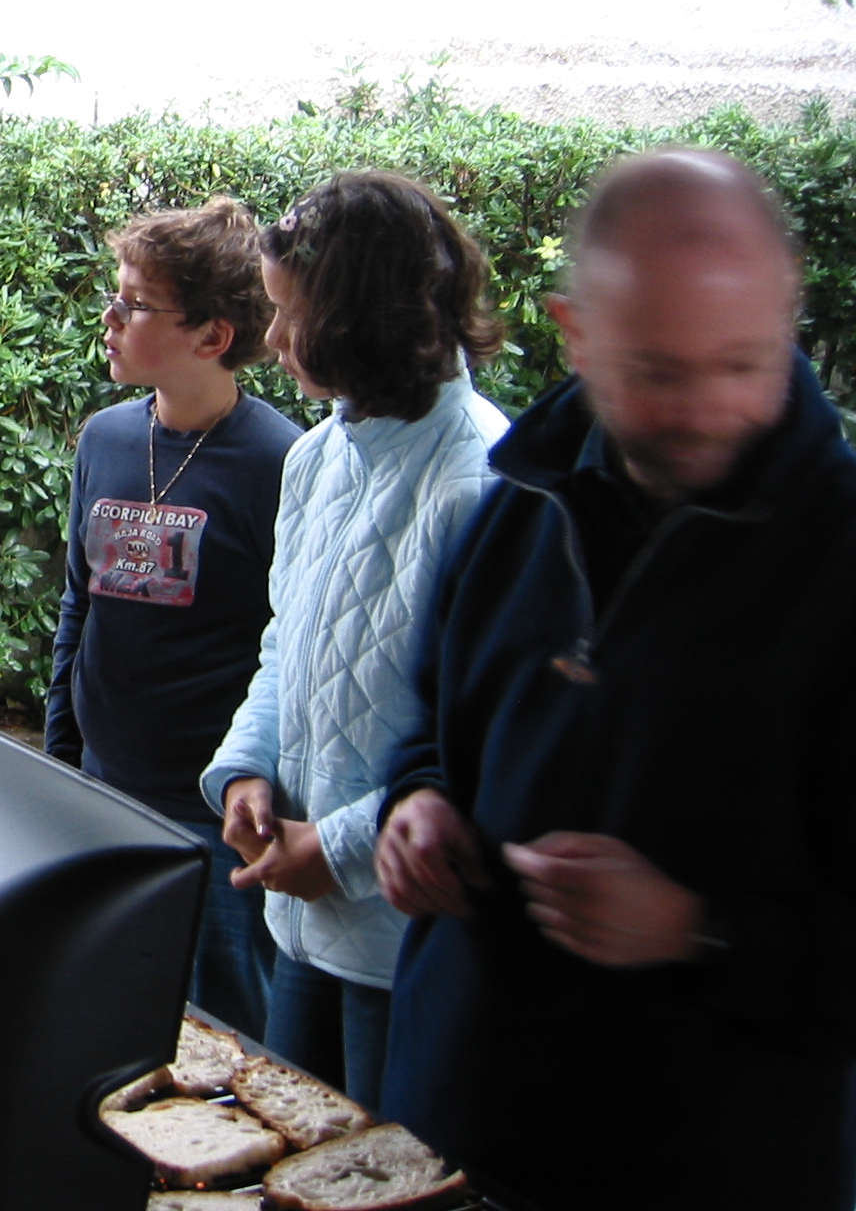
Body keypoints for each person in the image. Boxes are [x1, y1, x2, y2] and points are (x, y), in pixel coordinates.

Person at [375, 150, 856, 1211]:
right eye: (658, 373)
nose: (705, 410)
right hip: (452, 1135)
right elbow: (432, 733)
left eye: (743, 364)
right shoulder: (517, 501)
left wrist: (697, 927)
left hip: (709, 1167)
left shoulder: (836, 558)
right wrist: (419, 805)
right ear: (576, 334)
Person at [201, 171, 507, 1106]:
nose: (273, 339)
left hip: (407, 942)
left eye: (292, 314)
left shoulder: (482, 485)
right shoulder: (313, 457)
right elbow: (286, 647)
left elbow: (483, 749)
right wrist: (246, 773)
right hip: (301, 927)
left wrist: (335, 850)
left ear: (362, 318)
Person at [46, 198, 302, 1041]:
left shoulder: (280, 462)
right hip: (101, 797)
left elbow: (288, 648)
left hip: (211, 821)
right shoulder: (105, 439)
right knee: (105, 1032)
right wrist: (62, 760)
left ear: (212, 336)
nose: (110, 318)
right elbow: (79, 603)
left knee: (225, 1050)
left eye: (135, 304)